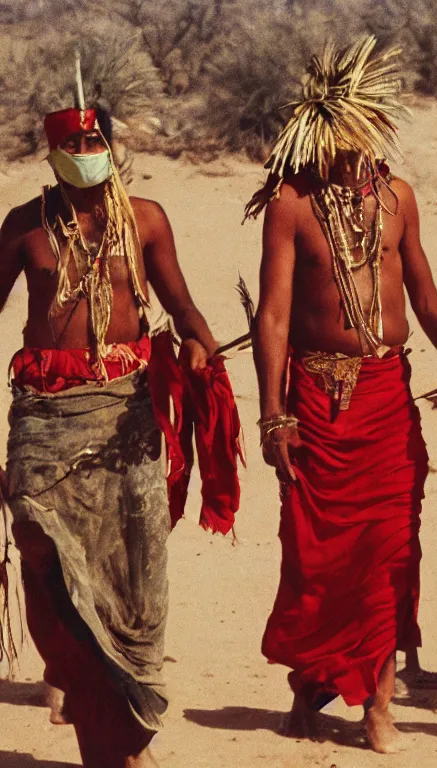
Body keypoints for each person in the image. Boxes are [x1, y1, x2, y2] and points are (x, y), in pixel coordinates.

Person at [245, 36, 437, 754]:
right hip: (319, 402)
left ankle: (378, 705)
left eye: (363, 142)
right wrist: (271, 414)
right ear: (318, 141)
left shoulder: (396, 197)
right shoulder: (291, 205)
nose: (353, 157)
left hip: (387, 395)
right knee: (316, 557)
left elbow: (425, 288)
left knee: (388, 553)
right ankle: (308, 685)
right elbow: (275, 316)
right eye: (340, 144)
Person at [0, 71, 233, 767]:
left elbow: (180, 302)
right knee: (43, 558)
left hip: (125, 418)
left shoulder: (147, 219)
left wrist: (197, 340)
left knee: (131, 580)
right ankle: (79, 692)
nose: (87, 150)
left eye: (95, 138)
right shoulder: (23, 227)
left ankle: (127, 737)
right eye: (72, 142)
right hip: (44, 422)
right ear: (52, 156)